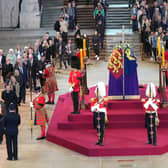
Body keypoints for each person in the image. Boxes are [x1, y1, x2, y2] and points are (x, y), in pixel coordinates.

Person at [90, 81, 108, 146]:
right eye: (97, 92)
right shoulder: (93, 100)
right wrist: (96, 106)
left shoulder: (104, 100)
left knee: (102, 128)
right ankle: (98, 140)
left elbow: (104, 109)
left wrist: (97, 107)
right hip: (95, 115)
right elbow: (92, 109)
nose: (97, 93)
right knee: (97, 127)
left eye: (99, 91)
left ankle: (101, 140)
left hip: (101, 114)